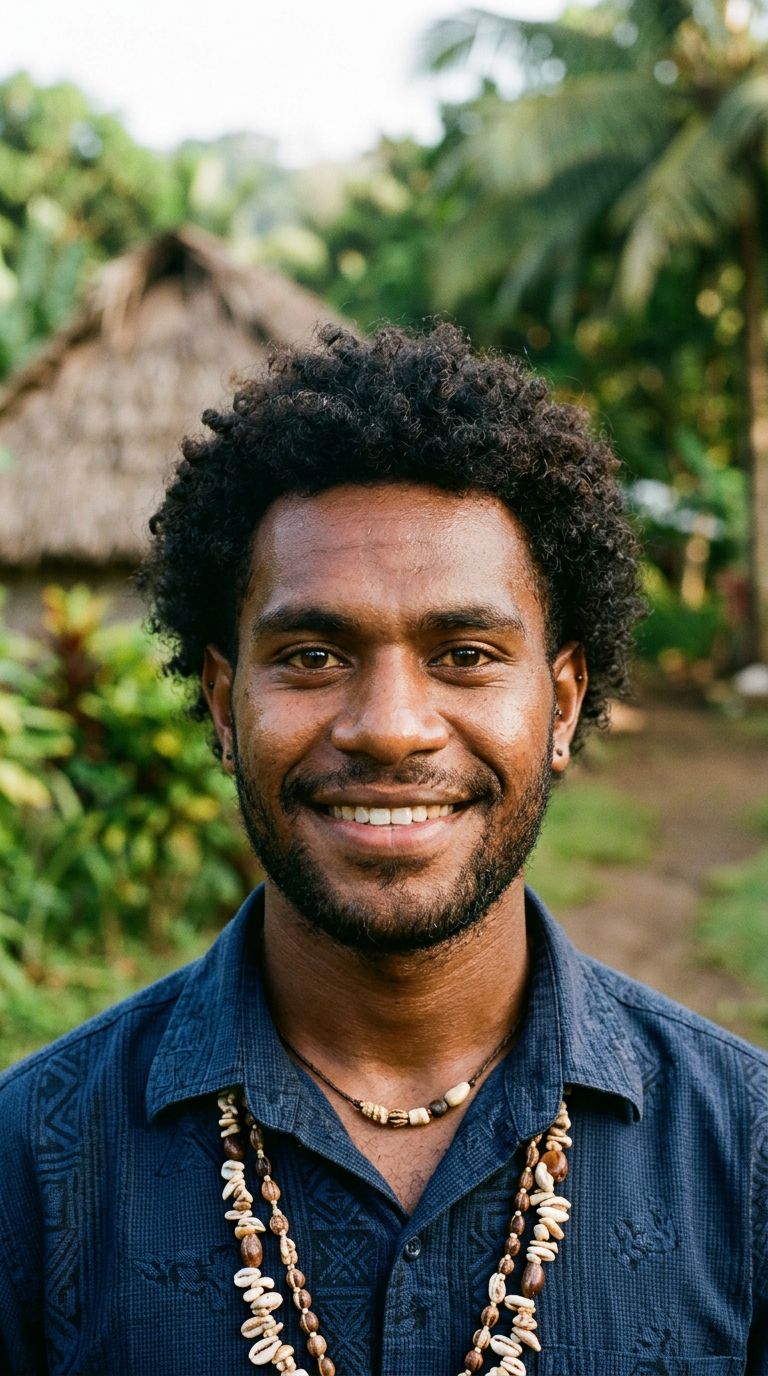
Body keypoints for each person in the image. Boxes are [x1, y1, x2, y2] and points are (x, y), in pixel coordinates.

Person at [0, 323, 765, 1376]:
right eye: (312, 654)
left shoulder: (746, 1154)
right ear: (226, 703)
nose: (392, 725)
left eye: (465, 654)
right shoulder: (36, 1160)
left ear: (564, 699)